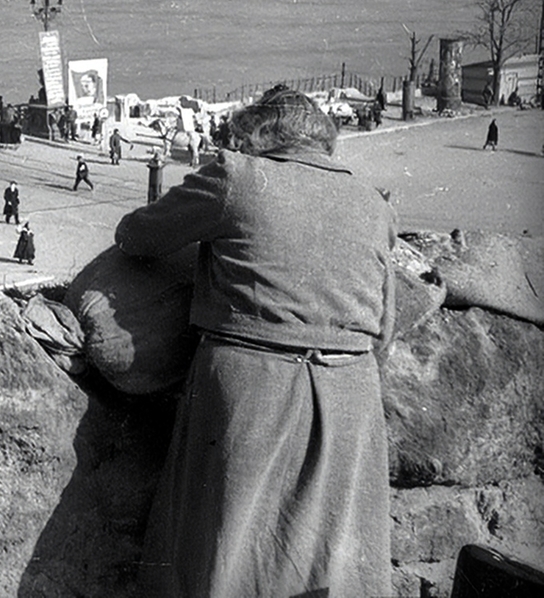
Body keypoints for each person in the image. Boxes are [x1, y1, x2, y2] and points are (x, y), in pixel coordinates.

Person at [114, 85, 396, 597]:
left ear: (260, 132)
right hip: (352, 397)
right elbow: (386, 326)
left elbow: (136, 235)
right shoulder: (374, 205)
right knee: (328, 562)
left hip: (254, 390)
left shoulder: (238, 177)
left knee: (227, 553)